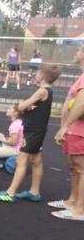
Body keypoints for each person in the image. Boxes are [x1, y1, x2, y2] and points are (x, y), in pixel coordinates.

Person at [0, 64, 60, 203]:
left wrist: (25, 105)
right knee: (36, 160)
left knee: (21, 160)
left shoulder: (42, 91)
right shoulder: (47, 91)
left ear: (43, 76)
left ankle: (10, 193)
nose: (35, 75)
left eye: (38, 73)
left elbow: (21, 106)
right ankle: (34, 192)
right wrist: (28, 106)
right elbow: (28, 106)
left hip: (33, 132)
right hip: (36, 130)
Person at [52, 45, 84, 220]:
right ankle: (72, 201)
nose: (75, 53)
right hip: (74, 130)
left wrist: (66, 126)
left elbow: (81, 102)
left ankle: (80, 210)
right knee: (74, 168)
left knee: (81, 169)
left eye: (78, 51)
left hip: (79, 131)